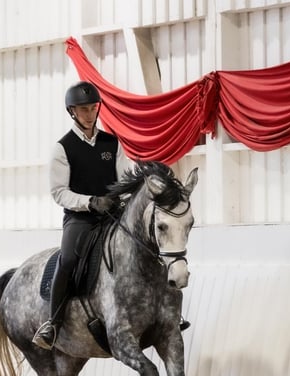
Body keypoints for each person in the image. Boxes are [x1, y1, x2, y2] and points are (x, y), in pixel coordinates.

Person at [32, 81, 188, 350]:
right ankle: (53, 323)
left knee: (150, 247)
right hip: (80, 218)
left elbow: (122, 179)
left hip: (113, 214)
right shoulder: (63, 148)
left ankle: (169, 313)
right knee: (68, 259)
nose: (90, 114)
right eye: (84, 109)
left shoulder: (111, 143)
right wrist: (91, 202)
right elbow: (59, 192)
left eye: (93, 108)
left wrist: (121, 201)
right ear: (72, 111)